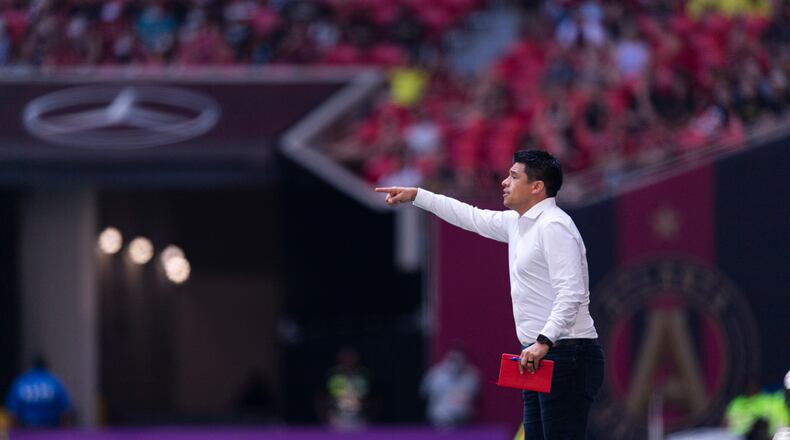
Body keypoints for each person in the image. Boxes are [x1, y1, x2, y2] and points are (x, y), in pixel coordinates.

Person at [376, 150, 604, 439]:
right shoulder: (518, 224)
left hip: (567, 353)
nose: (504, 182)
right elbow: (469, 216)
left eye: (513, 176)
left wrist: (544, 341)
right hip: (540, 355)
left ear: (537, 187)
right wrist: (418, 195)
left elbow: (571, 294)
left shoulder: (554, 226)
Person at [420, 346, 480, 428]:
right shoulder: (436, 374)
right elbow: (424, 392)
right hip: (439, 420)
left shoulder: (472, 375)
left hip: (463, 421)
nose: (457, 363)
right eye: (454, 359)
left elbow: (469, 396)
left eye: (460, 359)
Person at [4, 356, 71, 428]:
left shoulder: (21, 382)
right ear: (46, 367)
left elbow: (12, 412)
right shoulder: (54, 381)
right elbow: (65, 411)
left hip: (26, 431)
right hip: (51, 431)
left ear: (31, 367)